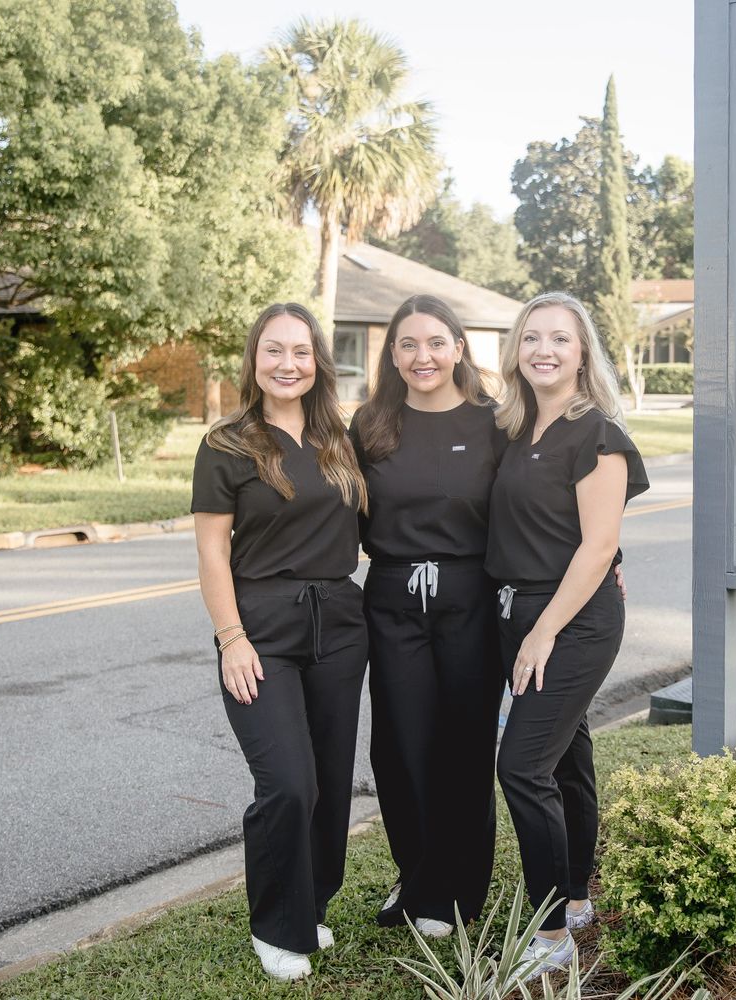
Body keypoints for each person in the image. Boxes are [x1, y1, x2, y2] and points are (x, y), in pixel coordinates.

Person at [191, 302, 369, 982]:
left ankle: (311, 903)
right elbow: (213, 554)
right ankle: (274, 924)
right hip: (261, 626)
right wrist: (231, 638)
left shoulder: (339, 439)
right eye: (274, 350)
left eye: (300, 351)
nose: (287, 363)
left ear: (317, 361)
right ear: (254, 360)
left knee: (329, 781)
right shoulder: (228, 444)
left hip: (340, 624)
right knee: (288, 782)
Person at [486, 292, 649, 974]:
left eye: (559, 338)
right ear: (515, 351)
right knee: (566, 756)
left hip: (571, 622)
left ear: (583, 353)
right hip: (516, 613)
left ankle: (551, 937)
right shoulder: (513, 428)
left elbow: (598, 545)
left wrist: (544, 631)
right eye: (531, 337)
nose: (543, 350)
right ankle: (577, 897)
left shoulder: (597, 435)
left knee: (522, 767)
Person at [349, 294, 507, 938]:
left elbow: (537, 501)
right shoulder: (370, 424)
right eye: (409, 344)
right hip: (392, 599)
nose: (424, 356)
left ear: (458, 348)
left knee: (465, 747)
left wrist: (611, 557)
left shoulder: (494, 421)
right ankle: (417, 876)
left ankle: (457, 889)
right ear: (392, 354)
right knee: (401, 748)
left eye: (437, 342)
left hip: (471, 596)